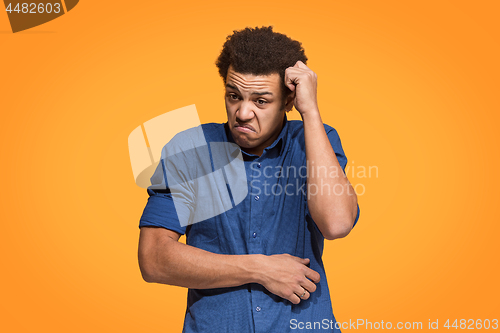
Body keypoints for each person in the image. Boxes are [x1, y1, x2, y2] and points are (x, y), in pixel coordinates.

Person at [137, 26, 360, 332]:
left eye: (261, 101)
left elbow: (337, 224)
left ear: (288, 101)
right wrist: (260, 269)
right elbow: (154, 259)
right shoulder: (190, 149)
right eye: (234, 96)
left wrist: (310, 111)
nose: (242, 112)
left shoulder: (314, 142)